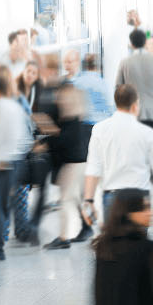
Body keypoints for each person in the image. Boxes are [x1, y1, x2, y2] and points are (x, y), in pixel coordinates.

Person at [83, 84, 153, 237]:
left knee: (114, 247)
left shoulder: (99, 129)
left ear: (116, 103)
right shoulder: (147, 133)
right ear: (135, 105)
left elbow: (93, 167)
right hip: (139, 198)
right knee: (138, 246)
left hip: (112, 199)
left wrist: (88, 200)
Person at [0, 67, 35, 261]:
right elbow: (27, 136)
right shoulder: (16, 106)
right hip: (17, 161)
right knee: (6, 204)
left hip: (3, 163)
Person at [41, 85, 95, 250]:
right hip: (80, 161)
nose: (59, 101)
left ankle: (64, 238)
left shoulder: (72, 121)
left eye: (62, 98)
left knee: (65, 200)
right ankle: (87, 227)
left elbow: (63, 139)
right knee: (77, 198)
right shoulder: (77, 120)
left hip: (74, 163)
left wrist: (45, 143)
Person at [116, 29, 153, 136]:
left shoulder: (124, 63)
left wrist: (121, 112)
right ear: (145, 43)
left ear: (131, 44)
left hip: (134, 115)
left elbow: (118, 88)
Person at [73, 55, 115, 124]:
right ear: (97, 67)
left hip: (84, 124)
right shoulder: (104, 83)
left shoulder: (77, 82)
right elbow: (110, 107)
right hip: (102, 123)